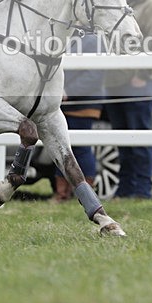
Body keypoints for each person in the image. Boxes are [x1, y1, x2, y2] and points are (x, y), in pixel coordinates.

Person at [104, 0, 152, 198]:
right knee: (122, 140)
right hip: (116, 82)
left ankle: (142, 189)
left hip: (138, 83)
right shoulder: (121, 6)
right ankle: (125, 188)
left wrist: (142, 74)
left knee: (140, 138)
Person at [52, 33, 103, 203]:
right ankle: (63, 192)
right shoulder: (68, 37)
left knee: (80, 148)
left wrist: (69, 91)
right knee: (62, 147)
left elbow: (94, 75)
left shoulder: (92, 40)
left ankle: (84, 193)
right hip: (65, 103)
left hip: (83, 103)